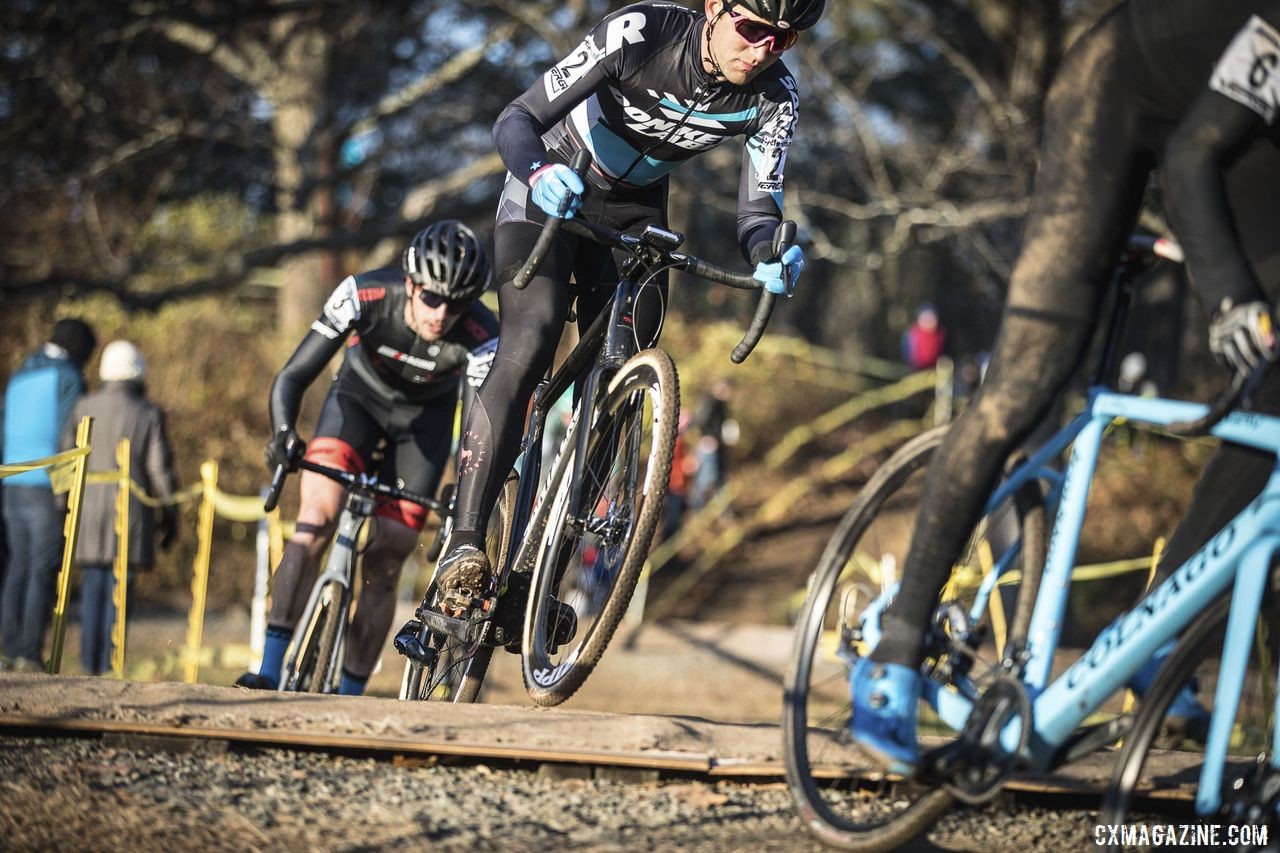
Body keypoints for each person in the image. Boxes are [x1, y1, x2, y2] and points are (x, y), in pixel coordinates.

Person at [848, 1, 1280, 774]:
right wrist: (1229, 300)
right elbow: (1189, 163)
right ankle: (899, 648)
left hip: (1235, 136)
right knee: (1026, 382)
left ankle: (1163, 637)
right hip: (1115, 93)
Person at [433, 0, 824, 615]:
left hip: (636, 216)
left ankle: (545, 578)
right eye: (752, 30)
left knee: (625, 373)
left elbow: (757, 211)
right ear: (715, 7)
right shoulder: (639, 32)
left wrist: (769, 251)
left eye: (784, 40)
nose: (762, 52)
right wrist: (537, 172)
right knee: (531, 338)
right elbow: (517, 118)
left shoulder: (777, 96)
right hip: (553, 185)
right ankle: (463, 546)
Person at [236, 221, 499, 695]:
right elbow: (294, 374)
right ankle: (269, 668)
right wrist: (283, 432)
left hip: (423, 427)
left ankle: (352, 693)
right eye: (432, 299)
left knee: (389, 557)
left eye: (457, 303)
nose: (442, 314)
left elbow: (477, 426)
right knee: (314, 522)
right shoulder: (365, 293)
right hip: (356, 405)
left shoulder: (482, 333)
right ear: (411, 284)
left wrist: (465, 482)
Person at [61, 340, 179, 676]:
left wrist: (61, 509)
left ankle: (88, 666)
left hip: (87, 511)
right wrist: (170, 515)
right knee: (119, 591)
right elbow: (161, 470)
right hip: (130, 514)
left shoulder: (82, 406)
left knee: (92, 589)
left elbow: (66, 460)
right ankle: (110, 667)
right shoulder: (147, 412)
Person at [1, 318, 96, 671]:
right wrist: (67, 491)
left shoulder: (21, 374)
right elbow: (69, 435)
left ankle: (9, 651)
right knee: (42, 568)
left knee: (17, 567)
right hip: (45, 486)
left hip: (12, 481)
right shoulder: (69, 377)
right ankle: (29, 653)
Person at [900, 304, 946, 371]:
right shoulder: (911, 334)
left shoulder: (941, 334)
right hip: (915, 370)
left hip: (934, 370)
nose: (928, 321)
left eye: (931, 318)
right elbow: (907, 355)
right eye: (925, 318)